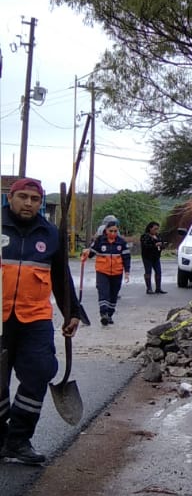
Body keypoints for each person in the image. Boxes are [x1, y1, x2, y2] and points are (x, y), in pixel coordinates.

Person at [1, 176, 88, 466]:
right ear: (10, 198)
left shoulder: (50, 233)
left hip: (35, 318)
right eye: (23, 197)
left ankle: (18, 440)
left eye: (35, 199)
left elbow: (61, 277)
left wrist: (72, 312)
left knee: (40, 371)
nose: (28, 203)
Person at [82, 215, 132, 326]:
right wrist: (85, 253)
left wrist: (127, 272)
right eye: (111, 231)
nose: (113, 233)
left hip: (117, 272)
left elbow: (126, 258)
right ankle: (103, 313)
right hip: (102, 272)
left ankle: (109, 315)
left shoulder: (121, 242)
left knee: (113, 295)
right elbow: (91, 253)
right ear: (106, 230)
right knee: (103, 292)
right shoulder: (100, 241)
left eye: (115, 231)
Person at [140, 221, 165, 294]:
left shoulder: (158, 236)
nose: (156, 231)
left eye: (157, 229)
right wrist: (155, 245)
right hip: (147, 257)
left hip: (156, 257)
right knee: (148, 272)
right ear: (150, 228)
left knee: (158, 272)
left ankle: (158, 288)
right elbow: (145, 246)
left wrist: (161, 245)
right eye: (155, 229)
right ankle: (149, 288)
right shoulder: (145, 236)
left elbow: (163, 244)